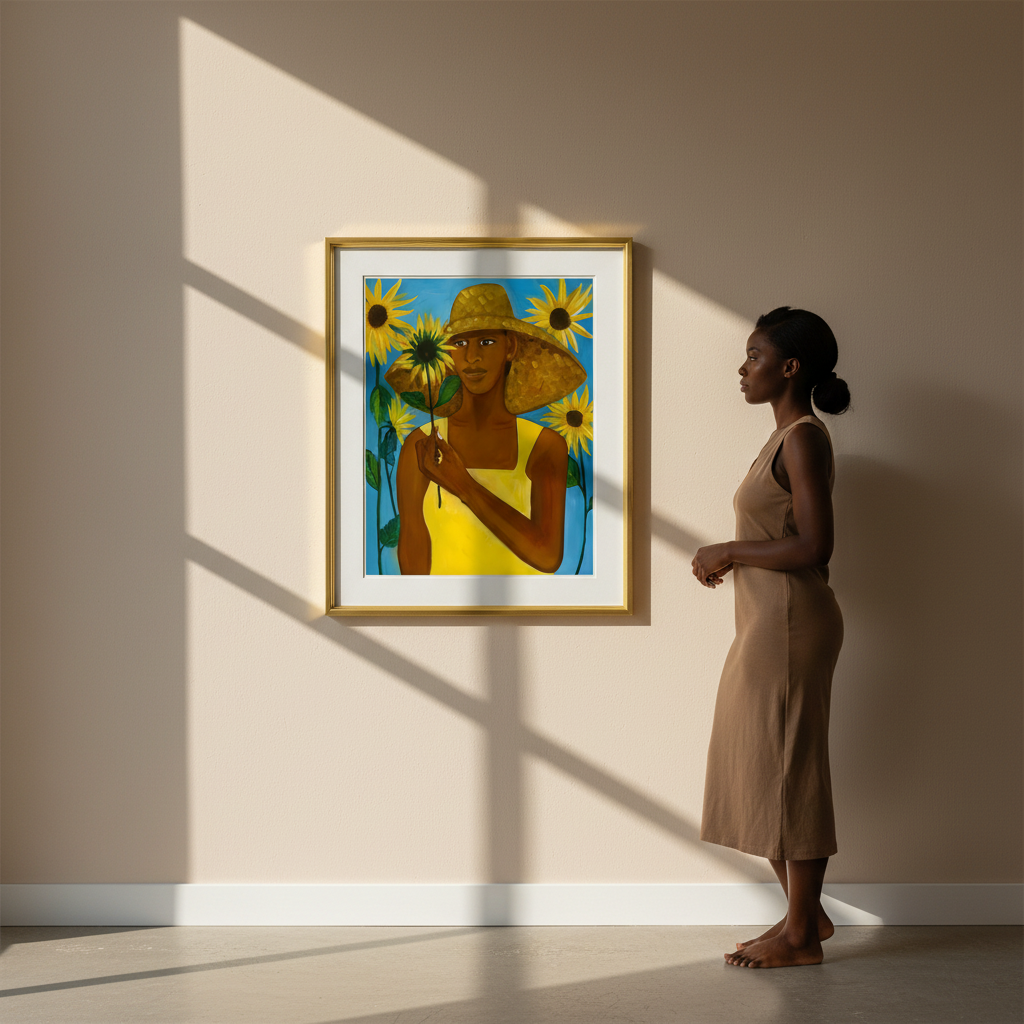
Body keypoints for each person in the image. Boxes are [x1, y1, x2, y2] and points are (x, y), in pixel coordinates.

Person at [692, 306, 851, 969]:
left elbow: (816, 545)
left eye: (754, 356)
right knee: (762, 765)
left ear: (790, 367)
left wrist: (730, 549)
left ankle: (800, 937)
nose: (742, 368)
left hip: (791, 624)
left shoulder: (803, 439)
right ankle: (804, 916)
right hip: (766, 624)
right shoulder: (781, 440)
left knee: (789, 769)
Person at [391, 283, 586, 575]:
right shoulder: (422, 446)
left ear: (511, 347)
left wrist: (463, 485)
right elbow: (413, 562)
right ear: (446, 353)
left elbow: (547, 556)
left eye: (486, 342)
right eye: (460, 343)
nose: (472, 356)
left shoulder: (545, 446)